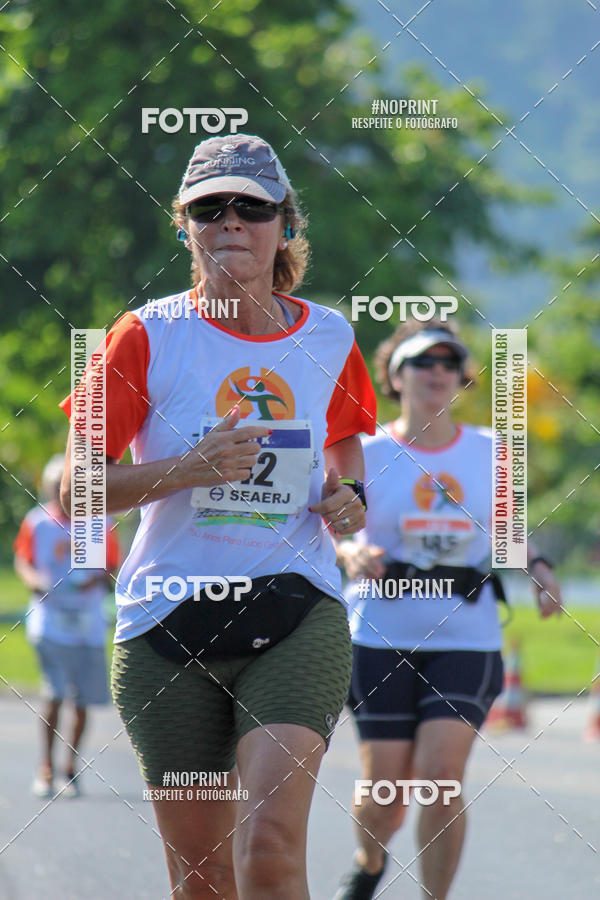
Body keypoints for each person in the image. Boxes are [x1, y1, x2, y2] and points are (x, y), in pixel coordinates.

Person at [59, 133, 377, 898]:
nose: (231, 221)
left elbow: (351, 473)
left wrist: (348, 501)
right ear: (184, 226)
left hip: (295, 612)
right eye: (210, 208)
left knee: (268, 844)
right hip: (168, 622)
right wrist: (185, 471)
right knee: (201, 876)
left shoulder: (330, 336)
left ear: (285, 224)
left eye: (252, 207)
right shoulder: (145, 334)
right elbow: (78, 494)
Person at [334, 318, 563, 900]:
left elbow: (509, 534)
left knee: (440, 780)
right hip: (379, 634)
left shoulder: (493, 451)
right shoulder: (366, 450)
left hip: (466, 635)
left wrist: (539, 571)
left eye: (449, 362)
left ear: (462, 377)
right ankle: (368, 862)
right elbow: (334, 527)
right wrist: (352, 550)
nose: (436, 372)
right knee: (382, 793)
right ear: (393, 375)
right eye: (422, 362)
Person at [14, 454, 120, 798]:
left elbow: (111, 566)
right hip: (50, 619)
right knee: (54, 694)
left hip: (87, 620)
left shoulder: (98, 522)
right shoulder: (39, 522)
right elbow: (24, 561)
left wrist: (99, 580)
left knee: (83, 700)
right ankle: (45, 768)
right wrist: (35, 580)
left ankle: (70, 768)